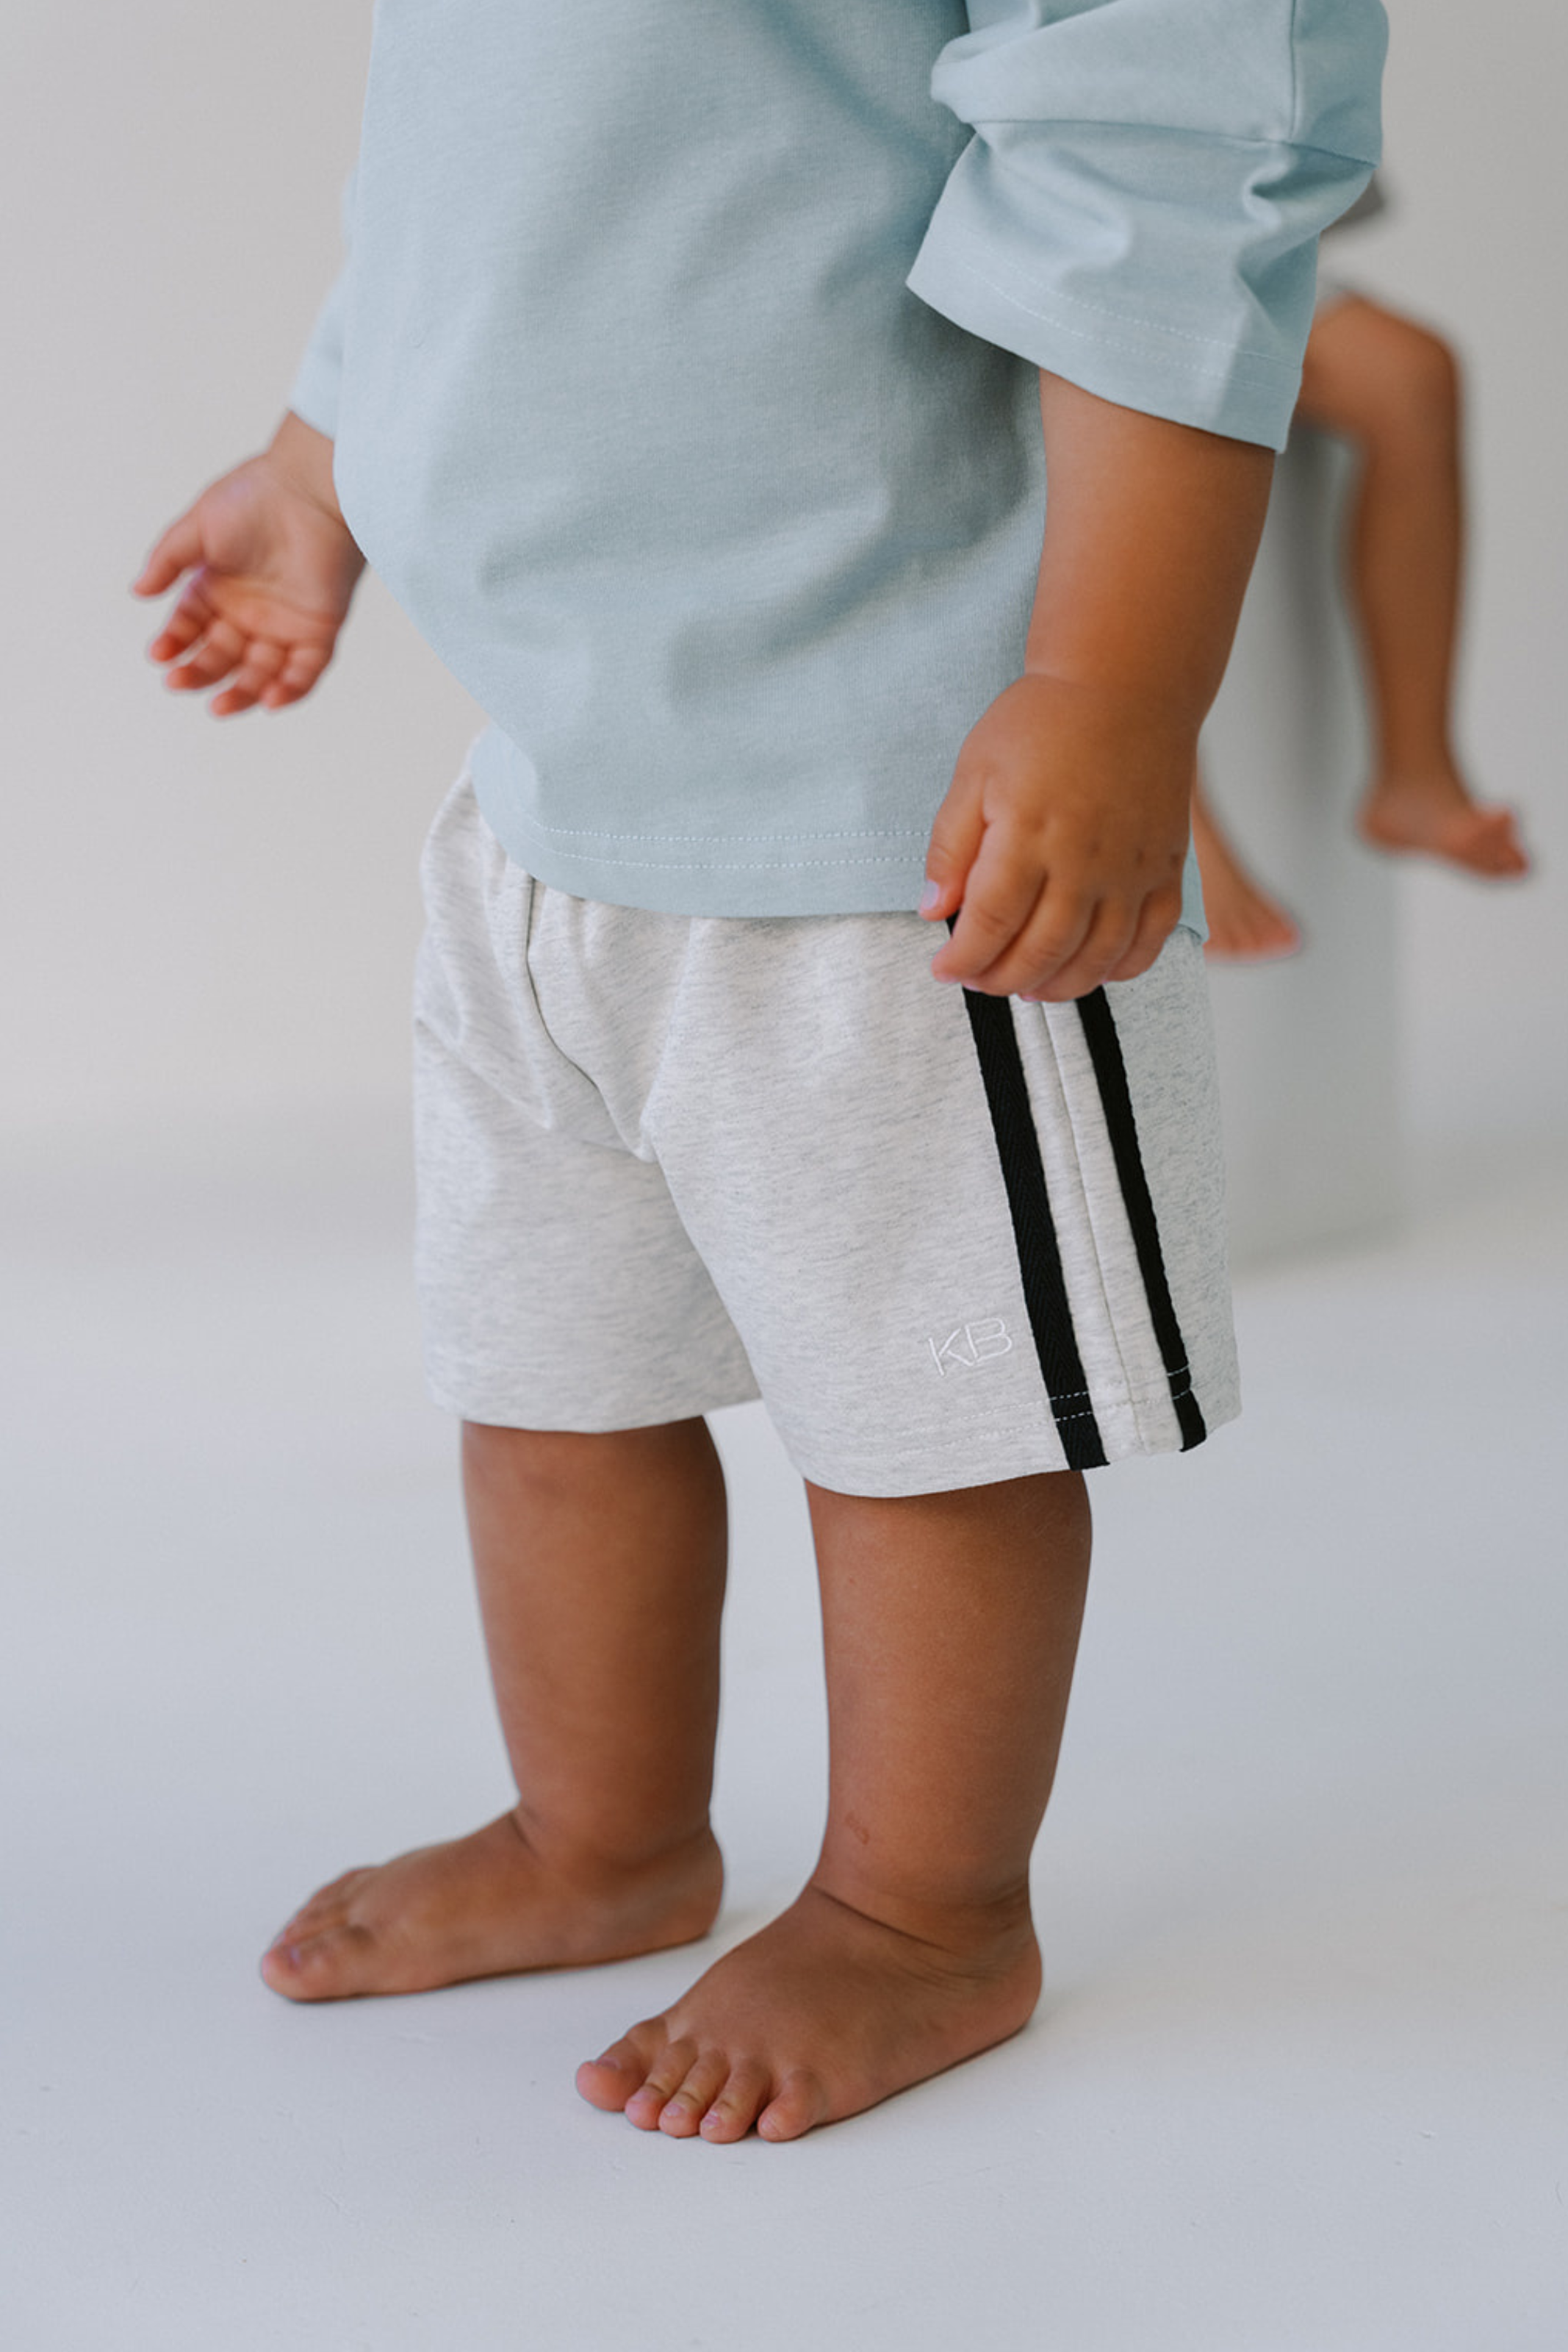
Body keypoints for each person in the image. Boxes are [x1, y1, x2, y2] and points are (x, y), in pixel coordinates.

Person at [133, 1, 1386, 2143]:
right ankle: (600, 1834)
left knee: (922, 1423)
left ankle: (922, 1912)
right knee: (549, 1381)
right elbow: (489, 162)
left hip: (891, 803)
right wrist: (324, 451)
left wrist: (1111, 683)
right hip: (545, 797)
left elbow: (1174, 152)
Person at [1193, 178, 1529, 963]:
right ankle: (1173, 814)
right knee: (1156, 408)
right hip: (1096, 252)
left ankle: (1417, 775)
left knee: (1411, 374)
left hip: (1233, 247)